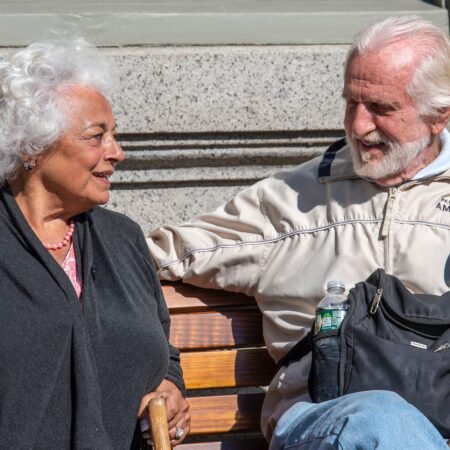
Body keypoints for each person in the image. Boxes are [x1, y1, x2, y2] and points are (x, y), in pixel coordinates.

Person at [148, 15, 450, 449]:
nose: (359, 126)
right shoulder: (291, 201)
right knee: (381, 421)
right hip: (324, 420)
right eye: (351, 103)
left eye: (381, 109)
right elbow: (159, 254)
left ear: (438, 116)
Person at [0, 38, 189, 448]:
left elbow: (162, 350)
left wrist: (171, 388)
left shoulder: (122, 238)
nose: (117, 153)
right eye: (95, 137)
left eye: (114, 136)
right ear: (34, 147)